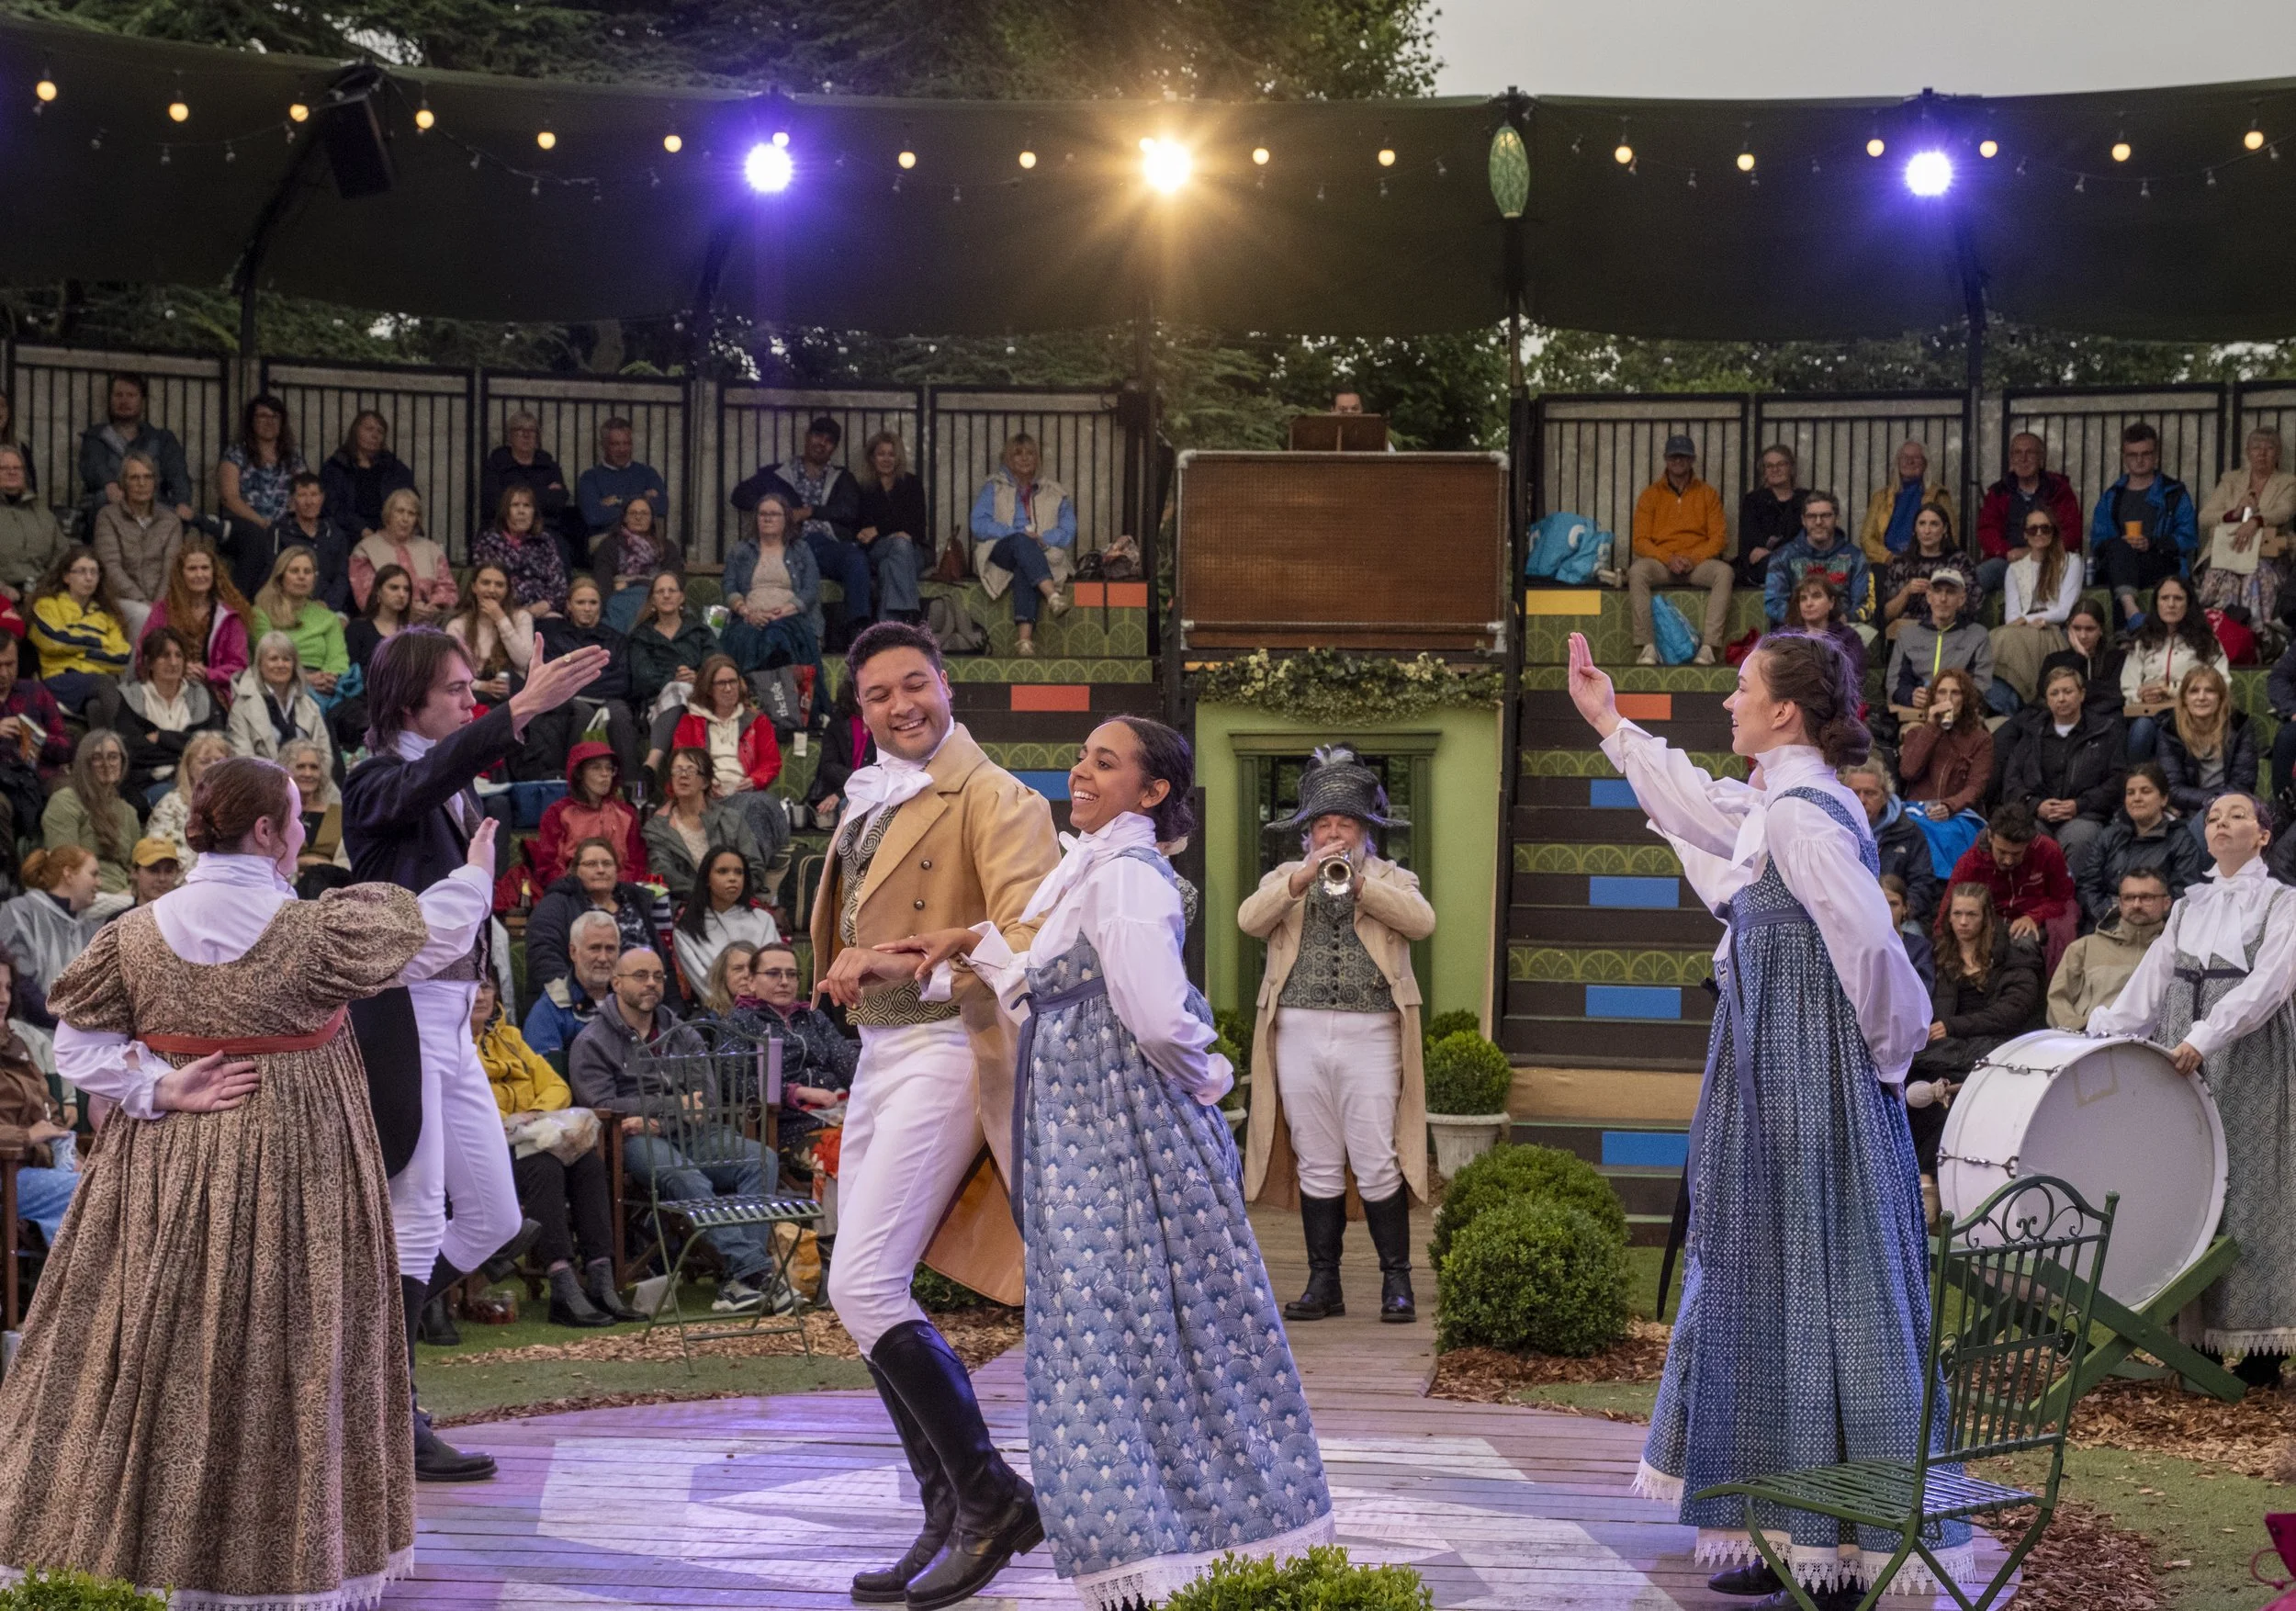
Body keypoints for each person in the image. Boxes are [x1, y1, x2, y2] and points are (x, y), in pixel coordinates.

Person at [0, 755, 485, 1611]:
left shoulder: (136, 933)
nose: (301, 835)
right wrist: (475, 875)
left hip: (163, 1165)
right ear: (265, 831)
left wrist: (160, 1088)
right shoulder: (313, 932)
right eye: (296, 819)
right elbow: (436, 935)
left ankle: (142, 1547)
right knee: (291, 1345)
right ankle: (270, 1558)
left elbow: (77, 1046)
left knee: (154, 1344)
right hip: (298, 1161)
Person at [884, 716, 1335, 1605]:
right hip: (1088, 1128)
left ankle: (1183, 1538)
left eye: (1105, 761)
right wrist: (972, 941)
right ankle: (1149, 1539)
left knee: (1136, 1326)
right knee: (1123, 1329)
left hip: (1126, 1134)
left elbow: (1157, 1016)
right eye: (1082, 756)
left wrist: (1210, 1074)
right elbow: (1048, 991)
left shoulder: (1127, 877)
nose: (1081, 771)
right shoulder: (1093, 870)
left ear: (1152, 790)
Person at [1565, 628, 1960, 1609]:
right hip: (1771, 1068)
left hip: (1806, 1076)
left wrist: (1878, 1062)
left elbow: (1872, 948)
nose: (1728, 699)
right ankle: (1783, 1527)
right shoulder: (1782, 801)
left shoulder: (1800, 813)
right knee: (1771, 1286)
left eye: (1742, 686)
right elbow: (1700, 809)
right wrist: (1611, 721)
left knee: (1826, 1285)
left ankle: (1844, 1542)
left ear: (1784, 710)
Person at [805, 620, 1060, 1609]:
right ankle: (951, 1506)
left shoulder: (996, 795)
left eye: (915, 684)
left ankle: (992, 1497)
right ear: (860, 711)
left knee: (865, 1281)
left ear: (947, 684)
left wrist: (902, 958)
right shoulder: (871, 793)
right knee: (855, 1287)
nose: (900, 705)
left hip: (952, 1044)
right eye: (878, 694)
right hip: (882, 1049)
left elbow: (1030, 937)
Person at [343, 625, 611, 1482]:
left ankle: (364, 1342)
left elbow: (451, 767)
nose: (472, 701)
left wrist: (516, 717)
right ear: (407, 700)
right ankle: (393, 1411)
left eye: (475, 689)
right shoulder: (373, 779)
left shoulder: (450, 776)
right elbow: (427, 777)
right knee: (417, 1212)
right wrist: (520, 710)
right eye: (457, 690)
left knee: (493, 1217)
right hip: (404, 1015)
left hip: (460, 1020)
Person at [2088, 792, 2296, 1391]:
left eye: (2237, 815)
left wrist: (2206, 1035)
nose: (2222, 823)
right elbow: (2152, 981)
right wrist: (2106, 1031)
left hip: (2249, 1057)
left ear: (2263, 835)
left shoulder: (2282, 903)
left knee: (2253, 1191)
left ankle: (2261, 1348)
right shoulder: (2187, 907)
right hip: (2183, 1058)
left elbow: (2269, 984)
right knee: (2192, 1186)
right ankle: (2196, 1339)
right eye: (2213, 818)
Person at [1237, 745, 1435, 1324]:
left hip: (1371, 1033)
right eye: (1323, 823)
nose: (1333, 833)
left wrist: (1362, 886)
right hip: (1297, 1032)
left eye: (1344, 823)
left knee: (1376, 1156)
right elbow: (1250, 920)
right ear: (1307, 831)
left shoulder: (1394, 878)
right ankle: (1324, 1283)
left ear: (1364, 830)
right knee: (1316, 1159)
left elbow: (1422, 922)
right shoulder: (1285, 878)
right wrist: (1302, 878)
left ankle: (1396, 1282)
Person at [569, 944, 788, 1314]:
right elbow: (601, 1104)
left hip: (691, 1132)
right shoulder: (592, 1041)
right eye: (641, 976)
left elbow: (707, 1098)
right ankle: (754, 1271)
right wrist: (675, 1107)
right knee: (684, 1176)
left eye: (658, 976)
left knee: (761, 1160)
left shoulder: (682, 1032)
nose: (651, 983)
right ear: (616, 983)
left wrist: (663, 1115)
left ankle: (739, 1280)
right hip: (633, 1140)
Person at [474, 977, 634, 1327]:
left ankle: (601, 1278)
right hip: (482, 1150)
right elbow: (464, 1101)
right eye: (470, 987)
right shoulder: (453, 1044)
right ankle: (561, 1284)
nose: (479, 995)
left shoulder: (510, 1038)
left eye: (485, 986)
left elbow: (556, 1086)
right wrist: (507, 1121)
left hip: (530, 1137)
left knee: (588, 1164)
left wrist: (535, 1115)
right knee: (544, 1167)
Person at [1905, 884, 2043, 1191]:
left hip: (1996, 1044)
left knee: (1955, 1094)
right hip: (1946, 1048)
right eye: (1957, 914)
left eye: (1971, 914)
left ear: (1986, 917)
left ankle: (1932, 1178)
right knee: (1914, 1079)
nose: (1963, 922)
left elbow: (2014, 1010)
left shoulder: (2011, 954)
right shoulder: (1940, 954)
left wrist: (1954, 1026)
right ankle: (1922, 1179)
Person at [735, 413, 874, 634]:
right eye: (818, 436)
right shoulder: (777, 474)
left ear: (834, 448)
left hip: (826, 544)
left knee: (856, 559)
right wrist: (778, 510)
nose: (822, 443)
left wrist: (810, 512)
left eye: (829, 441)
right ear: (807, 437)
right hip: (786, 545)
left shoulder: (842, 477)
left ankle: (858, 631)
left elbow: (850, 511)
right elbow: (739, 495)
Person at [643, 652, 784, 857]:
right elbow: (682, 764)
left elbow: (771, 762)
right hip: (705, 796)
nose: (728, 688)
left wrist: (754, 780)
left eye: (733, 682)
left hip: (744, 792)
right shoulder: (690, 723)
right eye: (721, 683)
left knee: (755, 806)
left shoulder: (758, 721)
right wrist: (705, 784)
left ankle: (749, 869)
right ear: (709, 688)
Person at [1997, 664, 2124, 877]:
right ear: (2047, 700)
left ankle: (2072, 895)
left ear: (2082, 694)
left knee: (2079, 838)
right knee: (2025, 837)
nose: (2061, 699)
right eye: (2054, 693)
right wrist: (2036, 806)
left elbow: (2117, 781)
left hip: (2085, 816)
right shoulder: (2031, 732)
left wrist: (2078, 805)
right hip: (2036, 817)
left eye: (2068, 691)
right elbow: (2012, 780)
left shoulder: (2105, 730)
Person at [968, 432, 1077, 657]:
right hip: (1002, 549)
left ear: (1037, 458)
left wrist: (1043, 538)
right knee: (1021, 542)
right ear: (1008, 458)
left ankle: (1025, 641)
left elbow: (1068, 530)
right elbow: (978, 524)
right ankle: (1052, 596)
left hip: (1040, 551)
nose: (1025, 458)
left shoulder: (1054, 492)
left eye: (1030, 453)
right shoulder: (994, 487)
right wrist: (1014, 532)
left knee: (1024, 567)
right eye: (1018, 453)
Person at [1625, 434, 1729, 667]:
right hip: (1662, 563)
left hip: (1697, 564)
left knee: (1724, 572)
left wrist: (1693, 559)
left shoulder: (1708, 494)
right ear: (1665, 459)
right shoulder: (1650, 495)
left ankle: (1709, 647)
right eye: (1674, 456)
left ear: (1692, 459)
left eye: (1683, 456)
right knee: (1637, 571)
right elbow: (1640, 540)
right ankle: (1648, 647)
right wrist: (1668, 558)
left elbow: (1719, 538)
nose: (1678, 461)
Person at [533, 576, 646, 783]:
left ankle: (631, 791)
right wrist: (594, 678)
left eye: (593, 603)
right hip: (567, 703)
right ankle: (570, 786)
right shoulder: (554, 638)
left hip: (609, 701)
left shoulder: (616, 640)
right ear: (569, 605)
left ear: (600, 606)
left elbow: (621, 683)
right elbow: (552, 678)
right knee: (580, 711)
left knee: (620, 714)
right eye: (580, 602)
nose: (587, 608)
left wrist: (577, 679)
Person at [1941, 803, 2078, 972]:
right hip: (1991, 921)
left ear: (2029, 843)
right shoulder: (1971, 863)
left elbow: (2063, 898)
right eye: (2002, 852)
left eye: (2016, 854)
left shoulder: (2048, 851)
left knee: (2024, 941)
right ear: (1990, 837)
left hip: (2036, 920)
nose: (2008, 860)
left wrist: (2034, 916)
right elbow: (1949, 906)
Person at [0, 952, 78, 1245]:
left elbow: (49, 1114)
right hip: (8, 1171)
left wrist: (68, 1156)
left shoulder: (16, 1045)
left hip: (31, 1171)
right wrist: (25, 1136)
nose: (3, 998)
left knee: (111, 1181)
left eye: (8, 988)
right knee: (97, 1191)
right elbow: (34, 1131)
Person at [524, 837, 662, 999]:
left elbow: (664, 963)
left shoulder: (636, 901)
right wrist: (584, 1003)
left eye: (607, 864)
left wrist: (674, 1008)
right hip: (583, 1002)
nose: (601, 870)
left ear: (617, 870)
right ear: (575, 870)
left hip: (647, 998)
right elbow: (544, 960)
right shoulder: (556, 905)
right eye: (591, 864)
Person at [2092, 422, 2200, 629]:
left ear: (2156, 455)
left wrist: (2152, 543)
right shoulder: (2113, 496)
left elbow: (2188, 537)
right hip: (2121, 562)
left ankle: (2126, 625)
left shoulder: (2174, 493)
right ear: (2124, 457)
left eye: (2146, 454)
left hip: (2160, 561)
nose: (2139, 460)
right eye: (2133, 455)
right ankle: (2131, 610)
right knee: (2119, 550)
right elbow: (2098, 541)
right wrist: (2121, 544)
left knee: (2120, 561)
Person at [1893, 666, 1994, 875]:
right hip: (1919, 811)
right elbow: (1909, 771)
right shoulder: (1917, 733)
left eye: (1955, 693)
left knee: (1949, 834)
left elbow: (1976, 786)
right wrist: (1932, 726)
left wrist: (1950, 805)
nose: (1947, 699)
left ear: (1965, 699)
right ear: (1933, 698)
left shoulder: (1980, 739)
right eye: (1942, 692)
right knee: (1912, 833)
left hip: (1958, 812)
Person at [2077, 764, 2204, 925]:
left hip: (2158, 930)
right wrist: (2109, 916)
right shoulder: (2109, 835)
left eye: (2145, 791)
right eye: (2130, 793)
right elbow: (2087, 886)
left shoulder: (2181, 839)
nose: (2136, 798)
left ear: (2164, 798)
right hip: (2106, 924)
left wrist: (2139, 917)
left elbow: (2184, 895)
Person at [644, 746, 767, 907]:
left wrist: (727, 894)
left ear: (706, 781)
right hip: (684, 905)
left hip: (733, 902)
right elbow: (663, 872)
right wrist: (709, 895)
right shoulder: (657, 827)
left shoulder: (731, 820)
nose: (683, 776)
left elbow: (754, 867)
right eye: (677, 770)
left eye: (691, 770)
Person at [2049, 868, 2171, 1029]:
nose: (2136, 905)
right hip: (2090, 1039)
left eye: (2147, 898)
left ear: (2166, 903)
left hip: (2154, 1042)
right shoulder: (2084, 948)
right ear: (2120, 903)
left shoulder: (2176, 952)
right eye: (2129, 898)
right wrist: (2083, 1028)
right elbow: (2057, 999)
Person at [2195, 428, 2296, 623]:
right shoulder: (2231, 480)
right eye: (2256, 448)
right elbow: (2204, 517)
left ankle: (2258, 632)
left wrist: (2256, 521)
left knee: (2257, 575)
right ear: (2247, 452)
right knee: (2223, 576)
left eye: (2269, 448)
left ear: (2278, 453)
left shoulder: (2288, 482)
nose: (2262, 454)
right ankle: (2219, 630)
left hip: (2267, 555)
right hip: (2228, 553)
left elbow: (2285, 510)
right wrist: (2234, 513)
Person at [2120, 575, 2224, 760]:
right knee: (2142, 728)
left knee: (2175, 728)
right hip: (2149, 714)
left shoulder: (2207, 641)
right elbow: (2128, 685)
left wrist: (2172, 690)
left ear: (2188, 604)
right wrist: (2142, 695)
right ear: (2156, 603)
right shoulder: (2143, 641)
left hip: (2192, 714)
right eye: (2165, 598)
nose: (2171, 604)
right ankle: (2137, 777)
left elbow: (2222, 683)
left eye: (2178, 598)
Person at [26, 545, 130, 731]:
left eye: (94, 572)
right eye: (82, 571)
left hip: (93, 682)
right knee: (106, 683)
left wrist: (79, 652)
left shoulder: (107, 615)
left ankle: (107, 747)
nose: (89, 578)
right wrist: (98, 642)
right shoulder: (47, 605)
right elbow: (54, 641)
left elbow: (121, 658)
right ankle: (130, 742)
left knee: (96, 707)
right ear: (67, 577)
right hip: (59, 678)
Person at [1991, 507, 2084, 709]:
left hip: (2052, 628)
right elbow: (2011, 617)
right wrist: (2025, 622)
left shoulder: (2071, 562)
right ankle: (2007, 703)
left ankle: (2016, 703)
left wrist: (2028, 620)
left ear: (2053, 531)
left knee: (2004, 638)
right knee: (1997, 637)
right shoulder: (2014, 569)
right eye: (2033, 529)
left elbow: (2064, 610)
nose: (2039, 533)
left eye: (2045, 528)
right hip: (2022, 629)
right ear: (2025, 534)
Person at [2159, 663, 2259, 851]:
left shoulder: (2239, 727)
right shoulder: (2170, 730)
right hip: (2185, 810)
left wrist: (2213, 804)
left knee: (2204, 823)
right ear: (2184, 698)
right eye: (2194, 691)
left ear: (2221, 697)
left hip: (2231, 807)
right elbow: (2172, 788)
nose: (2202, 697)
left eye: (2210, 691)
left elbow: (2243, 785)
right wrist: (2210, 801)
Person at [721, 494, 822, 676]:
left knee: (776, 636)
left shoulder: (800, 549)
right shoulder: (740, 550)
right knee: (749, 637)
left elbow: (811, 589)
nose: (768, 518)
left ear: (786, 519)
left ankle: (781, 689)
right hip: (749, 619)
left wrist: (782, 612)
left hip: (791, 619)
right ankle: (754, 688)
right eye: (763, 514)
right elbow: (729, 586)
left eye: (774, 514)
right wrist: (747, 613)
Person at [145, 537, 254, 705]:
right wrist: (178, 669)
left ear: (214, 573)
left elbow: (238, 666)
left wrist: (207, 673)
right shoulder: (162, 610)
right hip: (167, 686)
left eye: (205, 568)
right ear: (181, 574)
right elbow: (145, 654)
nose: (199, 574)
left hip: (214, 692)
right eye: (192, 569)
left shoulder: (230, 616)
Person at [75, 372, 193, 524]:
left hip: (154, 510)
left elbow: (178, 474)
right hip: (112, 512)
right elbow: (95, 466)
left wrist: (182, 502)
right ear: (110, 399)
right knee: (102, 498)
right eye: (118, 395)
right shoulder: (96, 437)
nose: (124, 401)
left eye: (131, 395)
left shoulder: (162, 439)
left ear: (142, 400)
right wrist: (109, 484)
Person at [1975, 433, 2085, 596]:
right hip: (2009, 562)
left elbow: (2072, 532)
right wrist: (2008, 552)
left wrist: (2035, 552)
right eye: (2017, 453)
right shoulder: (1998, 492)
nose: (2023, 459)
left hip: (2050, 562)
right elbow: (1987, 530)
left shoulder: (2058, 489)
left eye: (2030, 453)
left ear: (2041, 458)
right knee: (1979, 576)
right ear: (2011, 459)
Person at [119, 627, 224, 797]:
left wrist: (162, 738)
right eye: (165, 656)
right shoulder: (131, 697)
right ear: (149, 662)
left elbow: (218, 741)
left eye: (178, 655)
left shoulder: (201, 695)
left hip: (198, 780)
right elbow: (133, 750)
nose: (174, 662)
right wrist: (189, 749)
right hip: (149, 782)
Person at [90, 451, 184, 637]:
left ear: (155, 482)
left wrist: (157, 605)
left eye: (148, 477)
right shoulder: (108, 517)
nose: (142, 483)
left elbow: (170, 569)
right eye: (134, 478)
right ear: (124, 483)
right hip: (122, 599)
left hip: (162, 600)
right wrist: (142, 601)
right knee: (143, 615)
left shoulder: (170, 521)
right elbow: (110, 567)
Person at [1884, 568, 1993, 726]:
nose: (1943, 599)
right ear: (1929, 596)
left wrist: (1950, 699)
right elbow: (1894, 682)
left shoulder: (1977, 635)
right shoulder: (1908, 634)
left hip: (1959, 716)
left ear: (1961, 599)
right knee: (1911, 736)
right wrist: (1910, 696)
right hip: (1916, 715)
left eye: (1950, 592)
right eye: (1937, 591)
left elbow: (1981, 686)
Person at [533, 740, 647, 887]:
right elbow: (547, 866)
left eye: (609, 768)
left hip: (619, 890)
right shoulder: (557, 813)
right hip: (571, 891)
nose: (605, 774)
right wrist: (579, 885)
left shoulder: (626, 814)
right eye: (596, 768)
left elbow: (637, 864)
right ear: (579, 773)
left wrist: (611, 885)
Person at [1843, 760, 1942, 927]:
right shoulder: (1831, 831)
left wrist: (1900, 912)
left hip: (1898, 918)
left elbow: (1923, 883)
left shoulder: (1909, 832)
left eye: (1870, 793)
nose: (1862, 800)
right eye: (1855, 793)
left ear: (1885, 796)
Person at [670, 846, 779, 996]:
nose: (733, 878)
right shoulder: (687, 931)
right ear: (707, 879)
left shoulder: (763, 919)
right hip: (718, 1007)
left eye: (739, 872)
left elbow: (776, 970)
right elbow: (705, 986)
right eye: (722, 871)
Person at [44, 730, 141, 895]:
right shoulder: (65, 801)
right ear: (84, 763)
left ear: (122, 762)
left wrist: (133, 892)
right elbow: (63, 864)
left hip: (125, 892)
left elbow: (136, 867)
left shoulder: (129, 812)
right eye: (97, 758)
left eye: (113, 757)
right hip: (83, 894)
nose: (106, 764)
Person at [480, 412, 579, 567]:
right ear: (510, 436)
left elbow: (559, 501)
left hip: (544, 527)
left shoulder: (548, 465)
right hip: (503, 527)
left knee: (560, 552)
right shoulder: (497, 464)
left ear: (537, 437)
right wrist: (543, 493)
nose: (526, 435)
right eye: (520, 430)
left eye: (531, 430)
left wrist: (513, 497)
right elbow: (492, 503)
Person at [0, 846, 100, 997]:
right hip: (30, 1012)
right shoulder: (21, 912)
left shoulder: (88, 926)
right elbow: (19, 980)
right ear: (68, 874)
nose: (99, 883)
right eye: (94, 874)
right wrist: (51, 1013)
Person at [227, 631, 333, 770]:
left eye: (286, 659)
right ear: (259, 665)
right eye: (273, 659)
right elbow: (242, 759)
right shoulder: (242, 707)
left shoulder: (310, 706)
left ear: (294, 665)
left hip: (307, 780)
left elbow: (325, 756)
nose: (280, 664)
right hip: (261, 781)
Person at [1761, 491, 1868, 629]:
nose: (1818, 522)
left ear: (1837, 519)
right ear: (1803, 520)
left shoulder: (1856, 557)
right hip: (1795, 630)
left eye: (1825, 515)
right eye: (1811, 516)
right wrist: (1808, 620)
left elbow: (1865, 604)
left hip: (1842, 630)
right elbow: (1773, 603)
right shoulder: (1782, 556)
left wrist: (1845, 618)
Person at [251, 469, 354, 610]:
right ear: (292, 500)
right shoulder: (278, 531)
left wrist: (328, 604)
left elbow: (342, 576)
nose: (309, 502)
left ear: (322, 498)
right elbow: (273, 573)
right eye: (302, 495)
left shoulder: (335, 533)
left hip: (330, 607)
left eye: (314, 495)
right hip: (290, 605)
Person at [349, 489, 456, 624]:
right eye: (400, 511)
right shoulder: (365, 550)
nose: (405, 519)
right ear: (388, 515)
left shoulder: (432, 550)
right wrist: (408, 611)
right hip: (385, 625)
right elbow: (366, 598)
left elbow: (448, 589)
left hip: (432, 622)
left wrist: (432, 608)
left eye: (411, 514)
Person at [1875, 501, 1975, 647]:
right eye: (1922, 524)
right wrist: (1906, 592)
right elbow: (1886, 615)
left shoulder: (1960, 562)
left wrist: (1941, 594)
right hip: (1906, 638)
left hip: (1949, 635)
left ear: (1945, 529)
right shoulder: (1901, 564)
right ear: (1915, 529)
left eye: (1934, 524)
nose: (1927, 531)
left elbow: (1972, 607)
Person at [523, 909, 619, 1060]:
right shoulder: (551, 1008)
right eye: (594, 948)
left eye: (610, 949)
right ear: (573, 952)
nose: (603, 958)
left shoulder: (630, 998)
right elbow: (542, 1070)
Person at [444, 561, 537, 714]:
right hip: (475, 692)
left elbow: (524, 662)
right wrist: (483, 686)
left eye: (499, 585)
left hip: (513, 694)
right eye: (485, 583)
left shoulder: (521, 617)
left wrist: (500, 619)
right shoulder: (457, 625)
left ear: (507, 590)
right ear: (474, 587)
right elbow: (451, 672)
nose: (492, 589)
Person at [857, 429, 930, 612]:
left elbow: (917, 527)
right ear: (872, 458)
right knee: (900, 543)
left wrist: (879, 529)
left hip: (913, 552)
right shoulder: (864, 488)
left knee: (888, 567)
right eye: (881, 454)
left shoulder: (912, 484)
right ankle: (909, 613)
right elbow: (863, 530)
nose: (886, 459)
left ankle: (890, 626)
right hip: (877, 550)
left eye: (891, 454)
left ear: (898, 458)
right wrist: (894, 531)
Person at [471, 483, 570, 616]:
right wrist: (518, 613)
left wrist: (546, 605)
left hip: (541, 612)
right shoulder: (488, 543)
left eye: (527, 506)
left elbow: (560, 587)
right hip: (501, 611)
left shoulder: (545, 542)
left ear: (534, 513)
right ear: (505, 512)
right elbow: (486, 586)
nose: (521, 511)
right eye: (515, 505)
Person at [320, 409, 416, 546]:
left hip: (389, 533)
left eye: (380, 431)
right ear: (355, 432)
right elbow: (331, 506)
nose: (375, 435)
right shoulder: (336, 466)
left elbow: (410, 500)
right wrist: (361, 529)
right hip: (347, 535)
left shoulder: (395, 468)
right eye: (369, 429)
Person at [627, 569, 716, 714]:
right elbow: (643, 679)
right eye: (660, 591)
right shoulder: (641, 637)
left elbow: (716, 666)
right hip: (656, 704)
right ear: (653, 600)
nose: (666, 595)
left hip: (700, 696)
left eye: (672, 591)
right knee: (678, 690)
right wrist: (674, 679)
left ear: (681, 597)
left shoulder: (701, 632)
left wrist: (697, 678)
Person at [217, 392, 306, 533]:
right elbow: (229, 498)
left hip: (286, 528)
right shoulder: (236, 454)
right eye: (263, 416)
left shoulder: (293, 456)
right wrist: (262, 523)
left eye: (275, 416)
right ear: (251, 421)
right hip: (247, 526)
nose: (270, 422)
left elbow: (305, 488)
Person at [1859, 437, 1957, 563]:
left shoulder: (1939, 495)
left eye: (1916, 458)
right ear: (1897, 462)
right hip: (1887, 562)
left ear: (1925, 463)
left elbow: (1952, 535)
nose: (1909, 461)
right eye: (1904, 457)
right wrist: (1889, 557)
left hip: (1926, 561)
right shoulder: (1880, 497)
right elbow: (1866, 537)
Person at [591, 493, 678, 634]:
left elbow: (675, 578)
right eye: (633, 513)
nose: (638, 517)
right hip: (622, 598)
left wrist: (633, 582)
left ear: (652, 519)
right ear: (625, 518)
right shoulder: (610, 544)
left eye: (644, 513)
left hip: (659, 595)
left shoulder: (666, 546)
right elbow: (603, 580)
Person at [145, 730, 232, 866]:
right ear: (189, 768)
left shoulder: (238, 805)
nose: (213, 767)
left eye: (219, 761)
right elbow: (167, 861)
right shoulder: (171, 805)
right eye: (204, 762)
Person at [578, 416, 670, 537]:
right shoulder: (590, 477)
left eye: (626, 443)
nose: (622, 449)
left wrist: (617, 500)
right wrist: (643, 499)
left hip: (645, 538)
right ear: (603, 445)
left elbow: (662, 507)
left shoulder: (648, 473)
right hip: (608, 539)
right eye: (615, 444)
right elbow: (594, 517)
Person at [1736, 444, 1807, 588]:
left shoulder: (1806, 499)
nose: (1775, 469)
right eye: (1769, 466)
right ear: (1764, 471)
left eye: (1781, 464)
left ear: (1791, 468)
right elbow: (1749, 540)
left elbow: (1807, 538)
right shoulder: (1753, 500)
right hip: (1763, 565)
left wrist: (1773, 552)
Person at [0, 445, 65, 602]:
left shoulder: (41, 511)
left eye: (17, 468)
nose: (12, 472)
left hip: (42, 592)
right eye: (4, 468)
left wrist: (46, 586)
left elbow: (62, 553)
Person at [807, 673, 873, 828]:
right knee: (847, 804)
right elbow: (829, 766)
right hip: (839, 786)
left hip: (874, 789)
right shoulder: (837, 724)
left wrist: (842, 793)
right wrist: (848, 787)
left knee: (852, 803)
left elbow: (883, 769)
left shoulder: (884, 722)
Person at [283, 738, 351, 872]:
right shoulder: (278, 814)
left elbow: (347, 860)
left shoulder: (340, 814)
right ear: (286, 771)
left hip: (332, 880)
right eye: (300, 767)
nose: (308, 774)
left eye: (314, 767)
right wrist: (304, 864)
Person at [1783, 578, 1865, 682]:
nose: (1809, 604)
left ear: (1831, 602)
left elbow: (1855, 678)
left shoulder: (1849, 637)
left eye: (1816, 596)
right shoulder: (1789, 639)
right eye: (1803, 598)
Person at [346, 562, 413, 679]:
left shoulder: (414, 633)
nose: (402, 594)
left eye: (406, 589)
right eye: (394, 588)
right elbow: (350, 674)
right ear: (378, 591)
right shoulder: (357, 629)